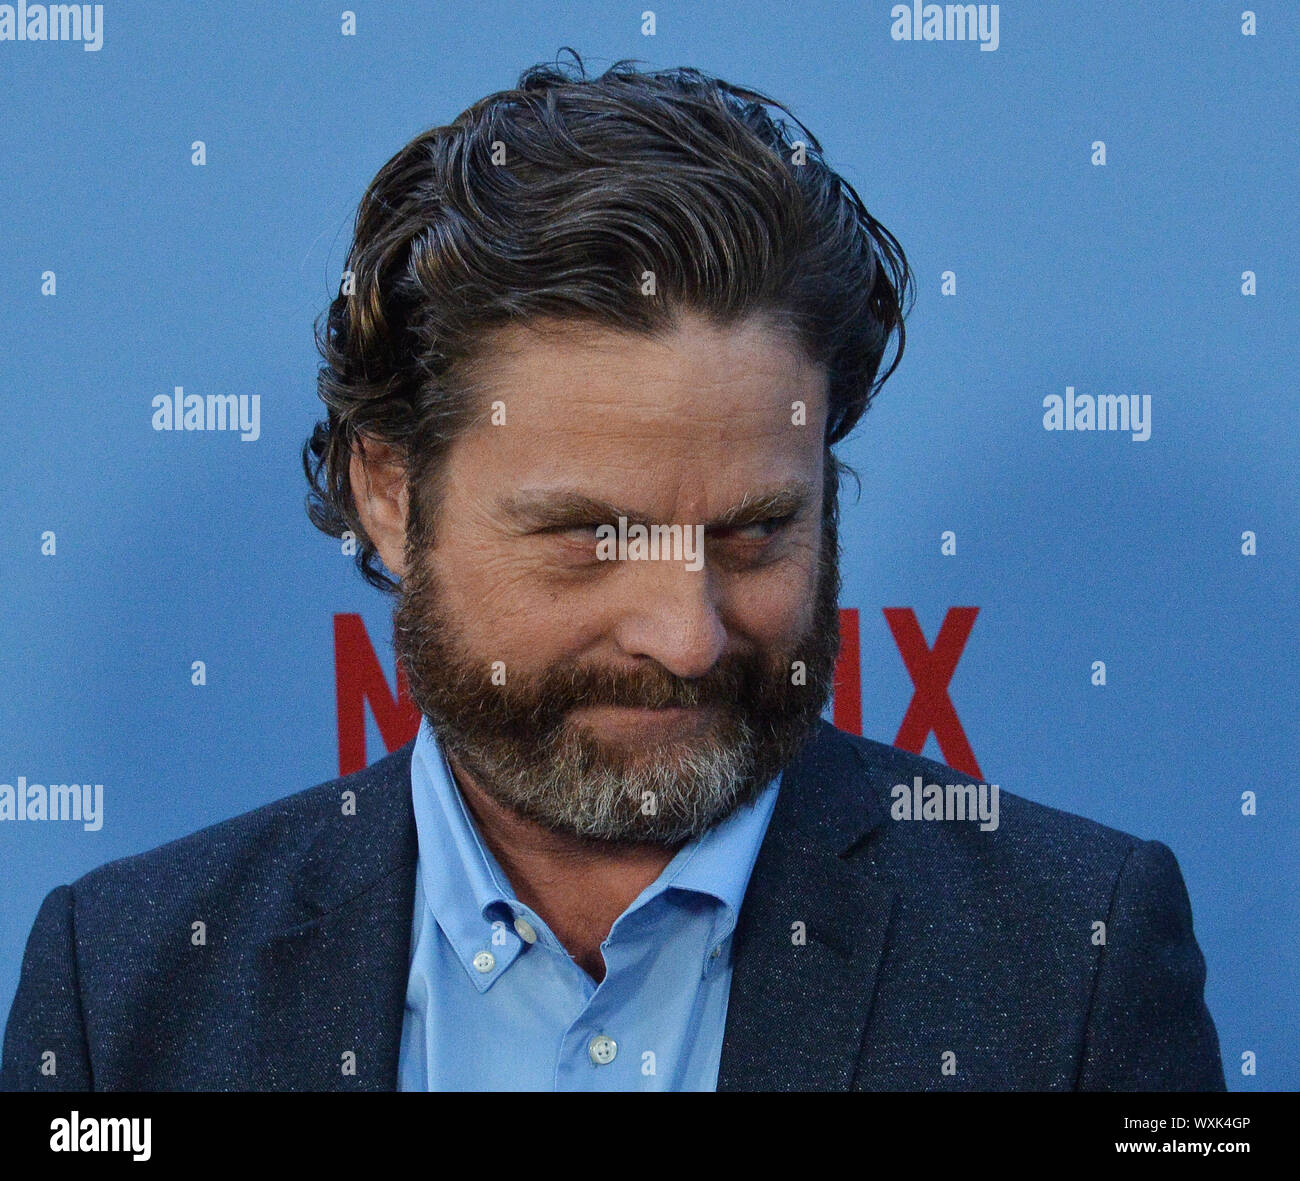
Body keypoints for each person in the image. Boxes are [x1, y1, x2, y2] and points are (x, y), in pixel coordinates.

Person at [1, 53, 1224, 1092]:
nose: (685, 637)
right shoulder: (126, 991)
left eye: (754, 533)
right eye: (592, 537)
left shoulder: (1079, 958)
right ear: (388, 492)